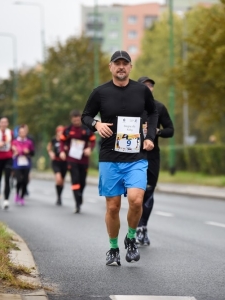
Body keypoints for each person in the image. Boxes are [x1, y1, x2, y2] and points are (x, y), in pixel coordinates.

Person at [81, 50, 158, 266]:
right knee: (113, 207)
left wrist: (150, 136)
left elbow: (153, 114)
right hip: (109, 157)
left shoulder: (142, 91)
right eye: (117, 63)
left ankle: (131, 239)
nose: (121, 67)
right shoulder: (100, 92)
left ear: (131, 67)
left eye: (125, 63)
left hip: (136, 156)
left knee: (136, 200)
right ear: (110, 67)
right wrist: (96, 124)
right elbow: (85, 116)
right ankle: (113, 248)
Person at [136, 76, 174, 246]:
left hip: (152, 156)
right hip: (133, 156)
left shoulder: (158, 107)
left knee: (149, 192)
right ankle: (136, 228)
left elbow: (170, 130)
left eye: (151, 86)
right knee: (137, 195)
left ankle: (142, 227)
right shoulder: (131, 107)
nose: (149, 88)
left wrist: (156, 132)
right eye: (145, 85)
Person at [59, 110, 96, 213]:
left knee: (82, 182)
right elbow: (62, 141)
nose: (76, 121)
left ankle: (80, 195)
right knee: (75, 180)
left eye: (78, 119)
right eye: (74, 120)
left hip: (83, 160)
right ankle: (77, 203)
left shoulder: (87, 129)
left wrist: (90, 149)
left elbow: (93, 141)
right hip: (71, 159)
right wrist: (62, 151)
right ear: (71, 119)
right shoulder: (67, 130)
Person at [11, 125, 34, 205]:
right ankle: (17, 193)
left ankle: (22, 197)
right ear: (18, 133)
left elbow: (32, 152)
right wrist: (15, 152)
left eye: (24, 132)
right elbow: (11, 152)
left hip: (26, 164)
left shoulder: (29, 142)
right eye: (20, 132)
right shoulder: (14, 142)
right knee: (19, 180)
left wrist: (28, 152)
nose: (22, 134)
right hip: (17, 164)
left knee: (25, 181)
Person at [47, 125, 68, 206]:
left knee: (62, 181)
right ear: (57, 132)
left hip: (64, 162)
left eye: (62, 132)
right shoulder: (54, 139)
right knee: (58, 179)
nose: (61, 133)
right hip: (56, 162)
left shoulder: (66, 140)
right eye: (59, 132)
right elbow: (48, 147)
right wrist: (50, 153)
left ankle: (59, 196)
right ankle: (58, 196)